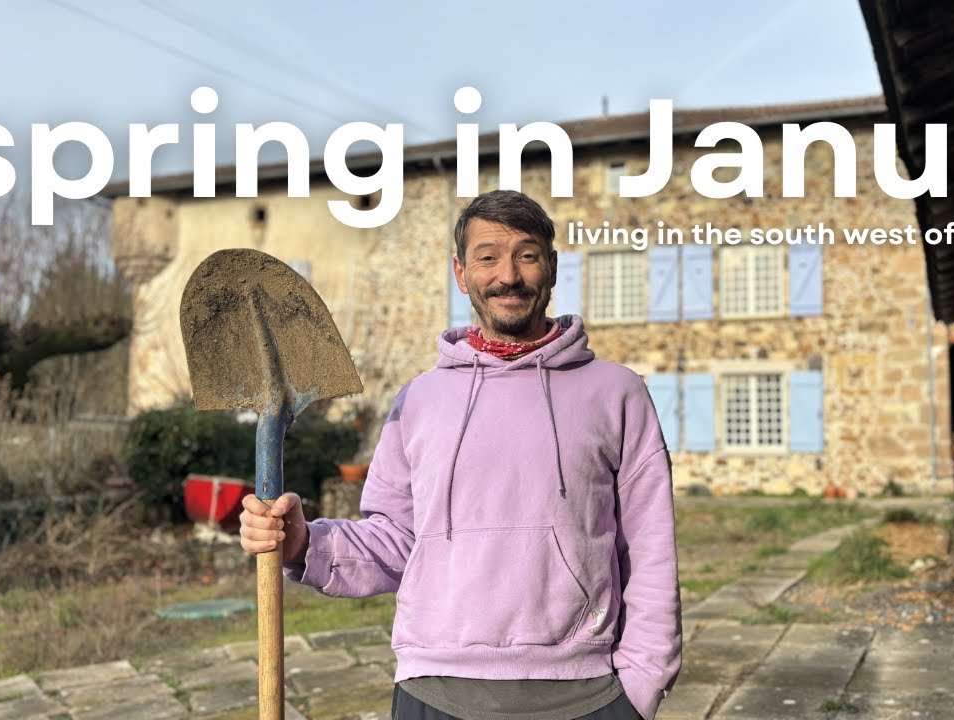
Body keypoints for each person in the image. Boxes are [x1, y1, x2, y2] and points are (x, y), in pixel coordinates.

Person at [239, 190, 681, 720]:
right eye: (487, 257)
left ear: (552, 267)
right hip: (434, 690)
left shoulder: (616, 392)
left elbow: (650, 546)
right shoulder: (419, 400)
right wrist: (303, 542)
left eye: (526, 255)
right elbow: (399, 539)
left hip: (584, 692)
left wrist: (643, 682)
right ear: (461, 272)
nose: (508, 276)